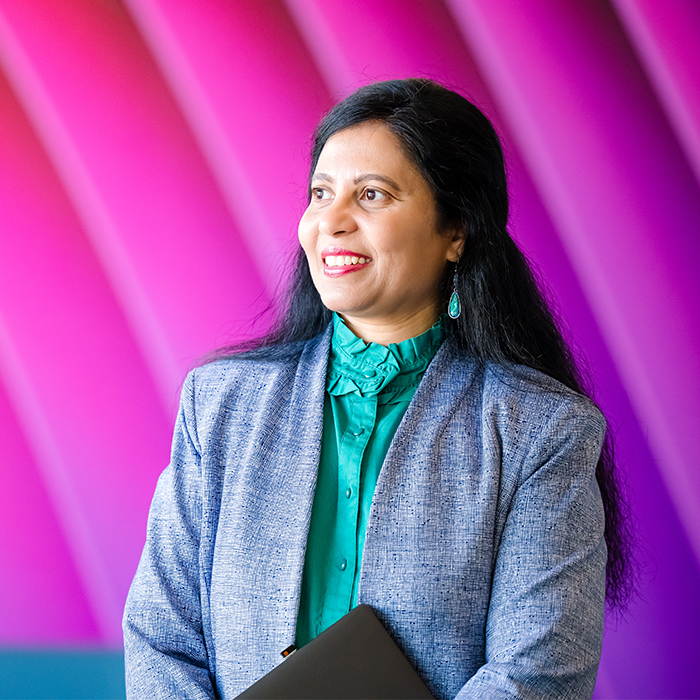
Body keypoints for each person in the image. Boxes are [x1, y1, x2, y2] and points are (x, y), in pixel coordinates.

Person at [123, 78, 631, 699]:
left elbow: (538, 676)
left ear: (456, 231)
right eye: (320, 193)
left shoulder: (542, 431)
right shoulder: (221, 404)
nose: (329, 222)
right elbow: (161, 635)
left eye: (371, 195)